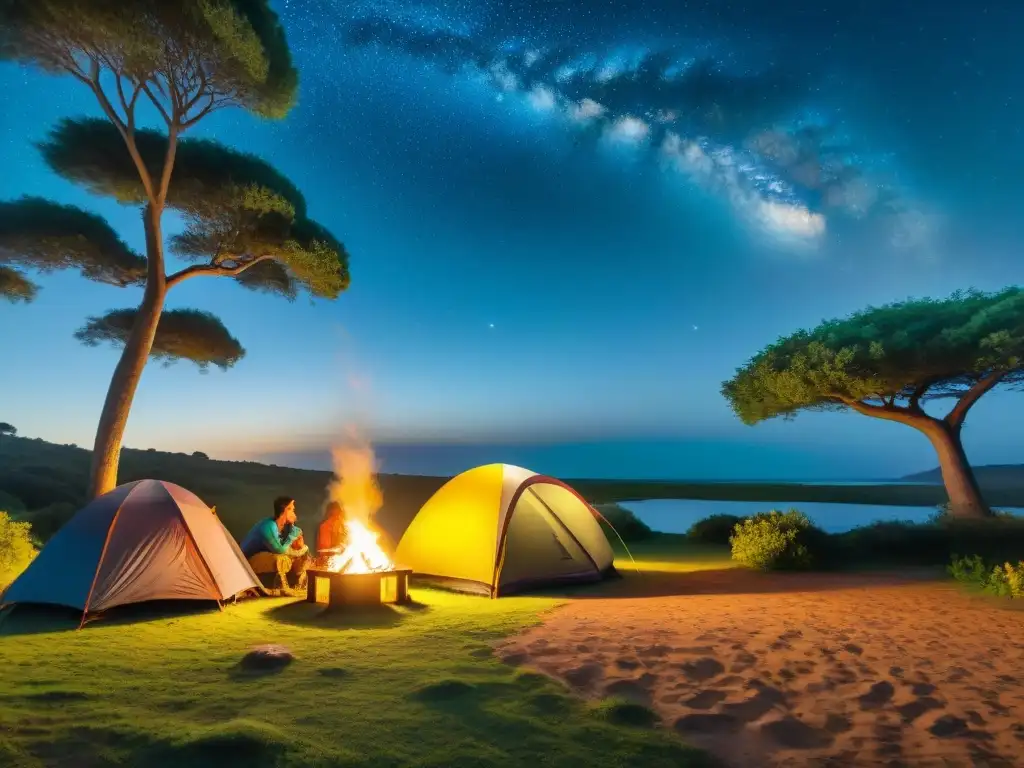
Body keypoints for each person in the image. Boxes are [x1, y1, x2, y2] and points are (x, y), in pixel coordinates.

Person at [240, 496, 311, 591]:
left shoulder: (284, 526)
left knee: (302, 558)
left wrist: (300, 546)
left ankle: (296, 584)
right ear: (286, 510)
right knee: (282, 559)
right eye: (292, 510)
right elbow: (279, 549)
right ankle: (276, 587)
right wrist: (292, 537)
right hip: (247, 561)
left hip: (266, 555)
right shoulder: (268, 526)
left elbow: (292, 546)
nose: (294, 514)